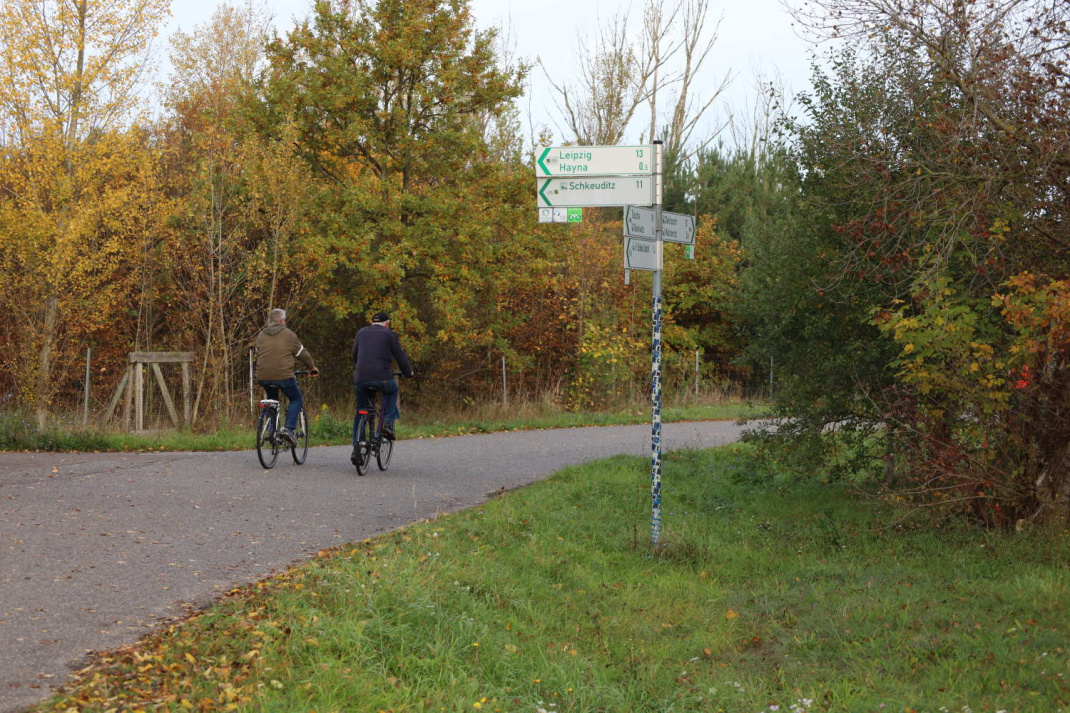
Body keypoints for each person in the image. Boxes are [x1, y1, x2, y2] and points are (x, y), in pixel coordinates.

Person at [352, 311, 414, 457]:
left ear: (371, 323)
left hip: (361, 377)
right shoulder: (389, 334)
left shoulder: (361, 333)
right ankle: (387, 424)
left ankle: (356, 446)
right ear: (387, 323)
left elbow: (354, 355)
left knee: (361, 410)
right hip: (383, 377)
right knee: (392, 390)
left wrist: (362, 368)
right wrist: (408, 372)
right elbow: (400, 356)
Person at [254, 308, 319, 444]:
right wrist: (311, 367)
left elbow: (257, 353)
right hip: (284, 376)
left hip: (263, 376)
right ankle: (288, 430)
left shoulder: (261, 335)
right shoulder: (289, 335)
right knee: (295, 399)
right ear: (283, 321)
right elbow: (302, 354)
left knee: (272, 400)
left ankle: (272, 432)